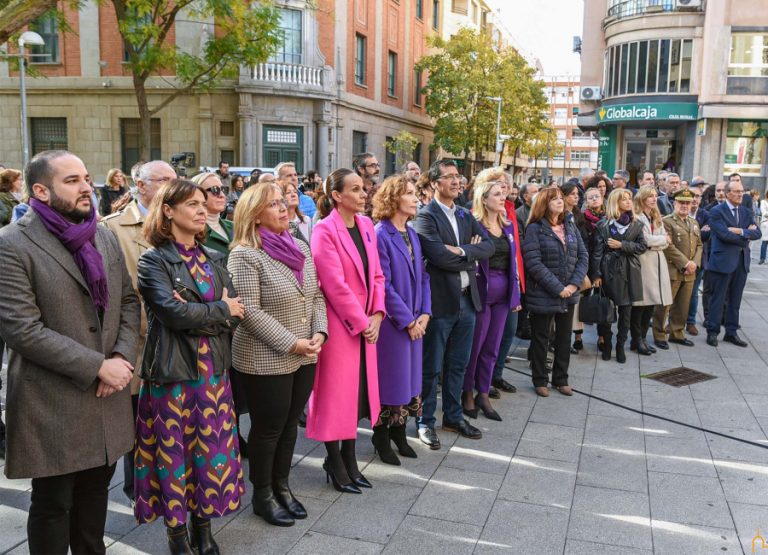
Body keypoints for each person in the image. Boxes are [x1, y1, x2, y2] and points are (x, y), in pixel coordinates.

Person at [0, 150, 140, 555]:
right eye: (72, 181)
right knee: (53, 503)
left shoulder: (101, 234)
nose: (86, 188)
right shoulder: (12, 244)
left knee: (95, 495)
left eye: (85, 177)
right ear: (41, 191)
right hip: (53, 399)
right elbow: (21, 329)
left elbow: (128, 302)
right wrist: (99, 367)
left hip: (107, 395)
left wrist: (122, 360)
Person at [134, 179, 245, 553]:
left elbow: (236, 313)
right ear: (168, 209)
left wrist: (204, 313)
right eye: (193, 204)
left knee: (209, 454)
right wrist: (216, 311)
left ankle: (203, 527)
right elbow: (171, 313)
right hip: (174, 376)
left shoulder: (214, 257)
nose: (203, 209)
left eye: (204, 203)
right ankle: (176, 535)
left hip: (213, 373)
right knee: (174, 456)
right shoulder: (154, 260)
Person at [228, 183, 327, 526]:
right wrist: (293, 343)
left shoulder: (299, 245)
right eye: (274, 205)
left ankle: (282, 486)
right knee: (268, 427)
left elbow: (315, 296)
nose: (285, 208)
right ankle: (262, 494)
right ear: (255, 215)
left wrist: (319, 332)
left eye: (284, 202)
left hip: (306, 351)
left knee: (289, 427)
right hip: (264, 356)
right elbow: (249, 312)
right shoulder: (245, 254)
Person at [101, 159, 176, 502]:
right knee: (137, 421)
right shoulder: (113, 228)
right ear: (140, 185)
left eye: (175, 180)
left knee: (169, 420)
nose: (171, 186)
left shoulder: (181, 221)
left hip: (177, 342)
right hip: (138, 343)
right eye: (163, 180)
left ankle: (164, 482)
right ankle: (137, 488)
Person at [307, 168, 385, 493]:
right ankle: (335, 461)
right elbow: (334, 285)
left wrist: (378, 314)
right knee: (335, 396)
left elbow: (377, 274)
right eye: (355, 189)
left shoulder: (366, 225)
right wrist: (364, 322)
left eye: (363, 188)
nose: (364, 193)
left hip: (366, 325)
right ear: (337, 196)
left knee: (356, 396)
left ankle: (350, 459)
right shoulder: (324, 230)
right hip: (339, 326)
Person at [413, 159, 494, 447]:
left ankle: (453, 415)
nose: (456, 182)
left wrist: (461, 249)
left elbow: (488, 246)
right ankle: (424, 421)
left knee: (458, 364)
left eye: (458, 177)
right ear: (434, 183)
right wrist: (468, 255)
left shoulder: (464, 214)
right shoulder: (425, 217)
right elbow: (438, 257)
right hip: (440, 303)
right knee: (431, 367)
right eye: (448, 177)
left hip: (467, 301)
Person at [371, 175, 431, 465]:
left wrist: (426, 314)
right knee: (391, 381)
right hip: (395, 325)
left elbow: (424, 277)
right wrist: (408, 320)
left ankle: (399, 433)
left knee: (408, 380)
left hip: (416, 322)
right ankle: (381, 436)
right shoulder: (380, 234)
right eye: (409, 193)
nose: (415, 197)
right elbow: (383, 284)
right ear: (394, 199)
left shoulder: (411, 233)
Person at [462, 179, 521, 421]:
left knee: (493, 347)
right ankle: (467, 392)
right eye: (496, 194)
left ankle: (483, 392)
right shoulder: (473, 224)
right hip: (481, 292)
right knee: (475, 346)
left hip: (504, 292)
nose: (502, 198)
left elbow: (513, 263)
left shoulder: (507, 225)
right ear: (483, 199)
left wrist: (515, 295)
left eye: (503, 194)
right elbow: (467, 256)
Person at [522, 187, 588, 396]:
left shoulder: (570, 225)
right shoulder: (535, 229)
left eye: (561, 198)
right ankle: (540, 379)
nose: (560, 202)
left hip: (568, 292)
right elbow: (533, 263)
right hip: (544, 292)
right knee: (541, 337)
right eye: (555, 199)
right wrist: (557, 288)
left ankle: (561, 378)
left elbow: (582, 256)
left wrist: (573, 285)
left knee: (564, 337)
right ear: (544, 203)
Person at [591, 189, 647, 363]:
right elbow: (596, 253)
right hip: (608, 271)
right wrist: (596, 274)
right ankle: (606, 343)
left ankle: (620, 346)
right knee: (605, 311)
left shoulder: (637, 224)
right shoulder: (603, 225)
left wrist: (622, 245)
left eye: (630, 199)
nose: (629, 202)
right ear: (616, 202)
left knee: (626, 312)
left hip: (630, 271)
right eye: (624, 199)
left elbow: (642, 247)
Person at [705, 180, 762, 347]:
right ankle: (713, 331)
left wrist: (740, 231)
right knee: (718, 299)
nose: (740, 194)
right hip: (722, 261)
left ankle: (731, 332)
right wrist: (746, 235)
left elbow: (757, 233)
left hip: (741, 261)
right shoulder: (716, 212)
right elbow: (724, 235)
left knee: (735, 300)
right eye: (736, 191)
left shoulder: (745, 211)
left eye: (742, 191)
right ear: (727, 193)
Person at [651, 189, 703, 348]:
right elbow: (668, 246)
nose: (685, 206)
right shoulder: (667, 221)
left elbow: (699, 245)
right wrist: (686, 263)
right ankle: (659, 334)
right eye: (681, 202)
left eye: (688, 203)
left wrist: (694, 263)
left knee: (682, 305)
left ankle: (677, 333)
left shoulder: (693, 223)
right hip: (672, 270)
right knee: (664, 305)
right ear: (675, 203)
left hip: (689, 273)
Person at [631, 186, 672, 355]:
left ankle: (642, 338)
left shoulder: (656, 216)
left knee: (651, 305)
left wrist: (660, 241)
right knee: (640, 305)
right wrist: (662, 240)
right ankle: (636, 340)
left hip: (657, 264)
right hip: (644, 263)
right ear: (642, 198)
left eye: (655, 196)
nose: (654, 199)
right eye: (650, 196)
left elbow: (666, 241)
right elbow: (645, 240)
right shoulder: (637, 217)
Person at [561, 182, 589, 353]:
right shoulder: (557, 216)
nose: (575, 197)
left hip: (577, 265)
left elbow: (583, 243)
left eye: (577, 194)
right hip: (562, 268)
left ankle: (570, 339)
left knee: (574, 307)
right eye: (571, 194)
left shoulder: (578, 215)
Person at [191, 172, 233, 254]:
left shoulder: (235, 226)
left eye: (223, 189)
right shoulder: (193, 232)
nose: (222, 195)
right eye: (215, 190)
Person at [353, 152, 381, 217]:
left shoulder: (381, 190)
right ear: (361, 169)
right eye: (373, 166)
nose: (377, 169)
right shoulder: (353, 191)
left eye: (378, 165)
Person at [759, 190, 768, 264]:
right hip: (766, 224)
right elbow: (764, 213)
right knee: (764, 242)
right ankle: (762, 258)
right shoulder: (763, 202)